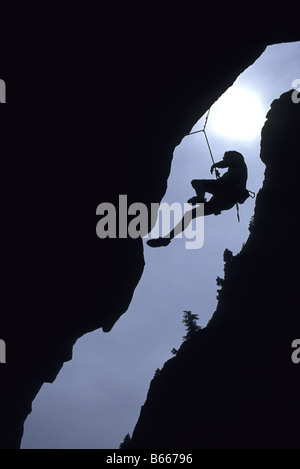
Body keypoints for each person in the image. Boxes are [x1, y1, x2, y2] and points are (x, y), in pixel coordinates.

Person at [147, 151, 249, 248]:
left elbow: (230, 162)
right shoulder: (237, 171)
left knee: (197, 182)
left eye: (225, 157)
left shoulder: (238, 159)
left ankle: (200, 198)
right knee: (190, 214)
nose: (224, 159)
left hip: (227, 189)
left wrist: (215, 165)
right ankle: (166, 239)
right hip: (225, 200)